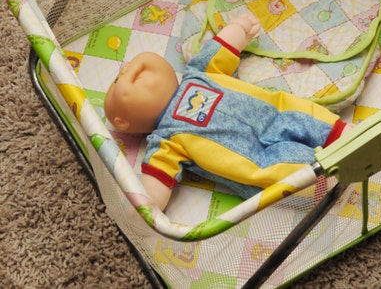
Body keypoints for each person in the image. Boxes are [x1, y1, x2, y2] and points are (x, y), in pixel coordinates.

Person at [104, 13, 353, 210]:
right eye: (117, 81)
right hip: (257, 157)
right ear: (123, 122)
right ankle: (323, 181)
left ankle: (342, 135)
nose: (124, 70)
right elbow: (157, 182)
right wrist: (147, 207)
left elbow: (220, 51)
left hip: (272, 113)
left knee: (300, 114)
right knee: (278, 169)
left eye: (121, 69)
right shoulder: (164, 141)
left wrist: (238, 30)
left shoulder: (198, 72)